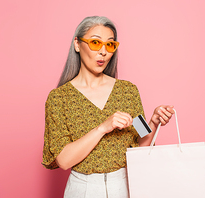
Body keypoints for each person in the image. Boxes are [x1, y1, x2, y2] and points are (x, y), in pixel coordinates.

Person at [42, 16, 174, 198]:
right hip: (83, 189)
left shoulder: (128, 90)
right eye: (95, 42)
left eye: (110, 45)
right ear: (77, 44)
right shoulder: (59, 98)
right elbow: (64, 160)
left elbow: (141, 144)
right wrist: (103, 128)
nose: (103, 52)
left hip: (124, 186)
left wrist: (154, 121)